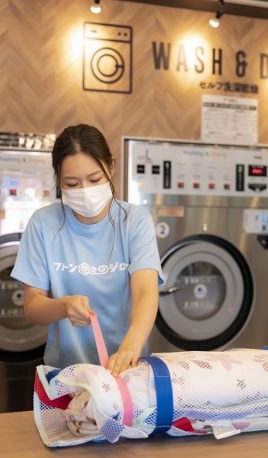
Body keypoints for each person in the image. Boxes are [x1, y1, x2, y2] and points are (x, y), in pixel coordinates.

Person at [11, 124, 165, 377]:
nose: (84, 191)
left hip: (125, 371)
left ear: (111, 167)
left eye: (94, 180)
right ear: (59, 180)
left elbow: (145, 291)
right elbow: (32, 306)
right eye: (71, 183)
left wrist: (129, 348)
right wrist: (63, 306)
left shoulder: (134, 221)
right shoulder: (43, 224)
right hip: (66, 374)